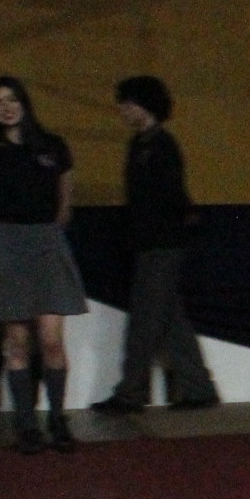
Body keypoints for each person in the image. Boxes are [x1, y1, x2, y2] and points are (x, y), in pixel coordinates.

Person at [0, 76, 85, 455]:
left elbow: (65, 199)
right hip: (6, 246)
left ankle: (58, 420)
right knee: (16, 341)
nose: (6, 107)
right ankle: (26, 425)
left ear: (24, 102)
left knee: (51, 340)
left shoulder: (52, 146)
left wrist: (50, 232)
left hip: (46, 243)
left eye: (11, 99)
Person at [95, 76, 218, 416]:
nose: (123, 110)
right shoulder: (145, 143)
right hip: (155, 243)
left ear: (143, 105)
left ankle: (131, 392)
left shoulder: (158, 145)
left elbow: (169, 195)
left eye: (128, 104)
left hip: (160, 244)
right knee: (170, 321)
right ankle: (198, 387)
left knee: (145, 321)